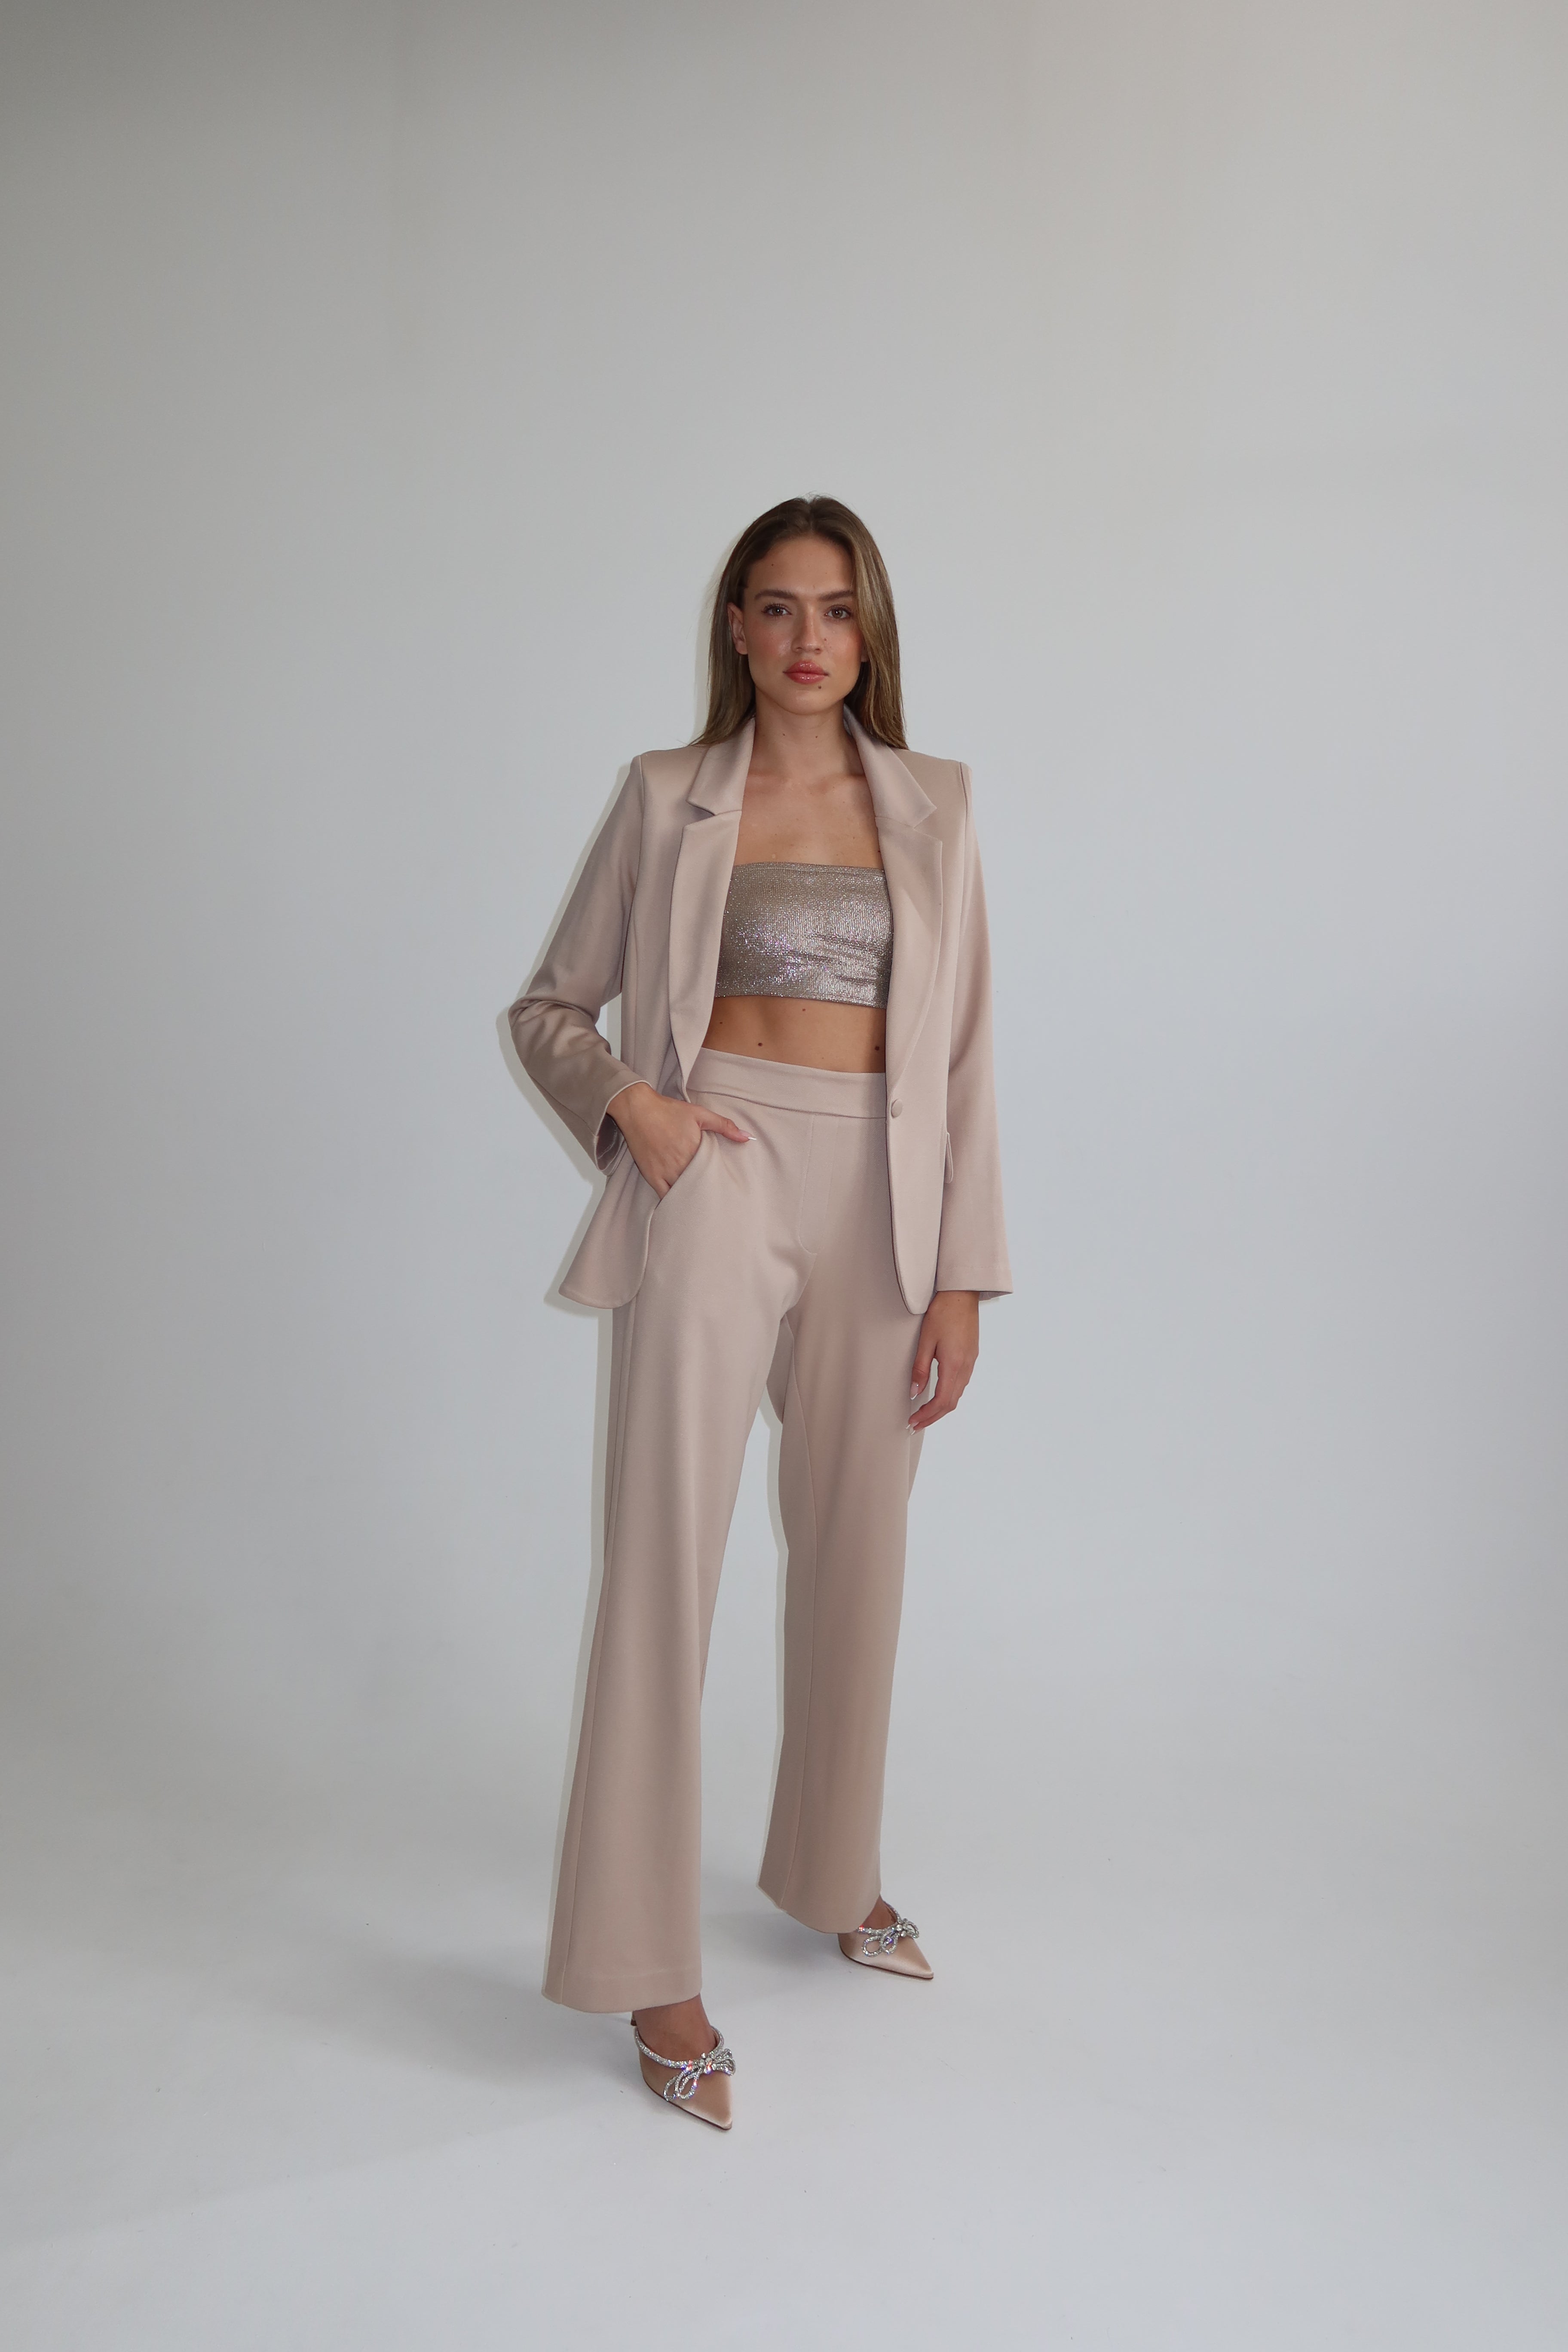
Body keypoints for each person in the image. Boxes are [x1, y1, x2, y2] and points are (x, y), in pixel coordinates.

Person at [508, 496, 1010, 2128]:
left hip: (884, 1201)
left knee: (862, 1545)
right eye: (779, 607)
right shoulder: (669, 796)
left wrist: (962, 1273)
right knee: (666, 1556)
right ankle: (643, 1962)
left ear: (872, 633)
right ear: (736, 625)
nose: (809, 639)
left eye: (838, 610)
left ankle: (830, 1868)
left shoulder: (937, 802)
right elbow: (548, 1006)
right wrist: (633, 1109)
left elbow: (963, 1056)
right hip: (713, 1172)